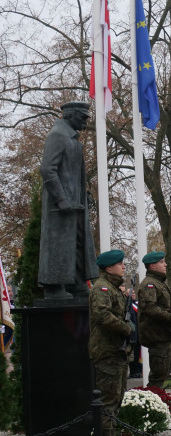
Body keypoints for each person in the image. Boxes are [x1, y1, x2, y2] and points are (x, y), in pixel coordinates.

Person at [38, 101, 97, 299]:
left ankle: (77, 282)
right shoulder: (58, 136)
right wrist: (61, 199)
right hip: (60, 205)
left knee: (78, 241)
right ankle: (54, 287)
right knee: (60, 244)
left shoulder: (73, 140)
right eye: (83, 117)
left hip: (75, 201)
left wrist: (83, 194)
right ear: (71, 116)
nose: (86, 121)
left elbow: (71, 174)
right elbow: (47, 169)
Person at [89, 249, 134, 436]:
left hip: (116, 351)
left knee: (116, 397)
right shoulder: (102, 288)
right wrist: (127, 329)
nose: (123, 266)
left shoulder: (114, 289)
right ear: (108, 267)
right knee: (108, 398)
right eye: (120, 263)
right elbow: (102, 315)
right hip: (107, 351)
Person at [137, 251, 171, 389]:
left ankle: (158, 403)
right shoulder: (150, 284)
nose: (165, 264)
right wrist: (170, 318)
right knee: (157, 378)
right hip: (157, 337)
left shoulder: (159, 283)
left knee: (162, 375)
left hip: (164, 336)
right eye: (161, 262)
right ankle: (151, 406)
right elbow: (150, 308)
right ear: (152, 266)